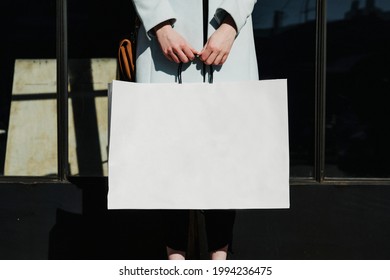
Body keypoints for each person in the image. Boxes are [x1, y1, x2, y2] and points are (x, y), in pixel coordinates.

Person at [131, 0, 258, 260]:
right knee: (168, 157)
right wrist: (161, 26)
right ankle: (175, 264)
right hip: (164, 42)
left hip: (227, 40)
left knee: (225, 154)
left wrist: (230, 26)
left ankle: (219, 266)